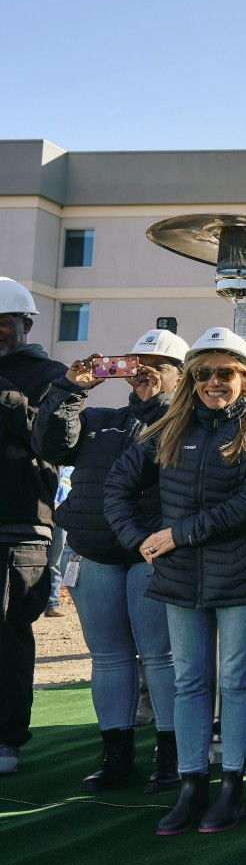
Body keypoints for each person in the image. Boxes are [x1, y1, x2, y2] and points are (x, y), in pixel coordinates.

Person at [103, 327, 246, 834]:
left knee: (235, 679)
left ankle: (232, 785)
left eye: (224, 372)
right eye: (202, 372)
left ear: (244, 378)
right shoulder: (168, 427)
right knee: (189, 682)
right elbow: (117, 485)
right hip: (180, 578)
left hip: (238, 572)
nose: (212, 381)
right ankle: (191, 785)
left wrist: (174, 535)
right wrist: (138, 538)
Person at [33, 327, 189, 793]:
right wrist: (69, 390)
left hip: (151, 552)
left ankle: (170, 753)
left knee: (160, 658)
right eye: (135, 362)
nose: (143, 372)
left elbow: (173, 456)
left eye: (158, 367)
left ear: (180, 377)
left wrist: (158, 403)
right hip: (98, 553)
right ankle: (116, 752)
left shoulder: (187, 423)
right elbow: (50, 445)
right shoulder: (100, 416)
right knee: (109, 658)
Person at [0, 278, 67, 777]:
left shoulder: (51, 375)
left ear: (25, 324)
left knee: (8, 634)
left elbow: (52, 439)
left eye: (2, 322)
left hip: (20, 526)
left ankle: (6, 739)